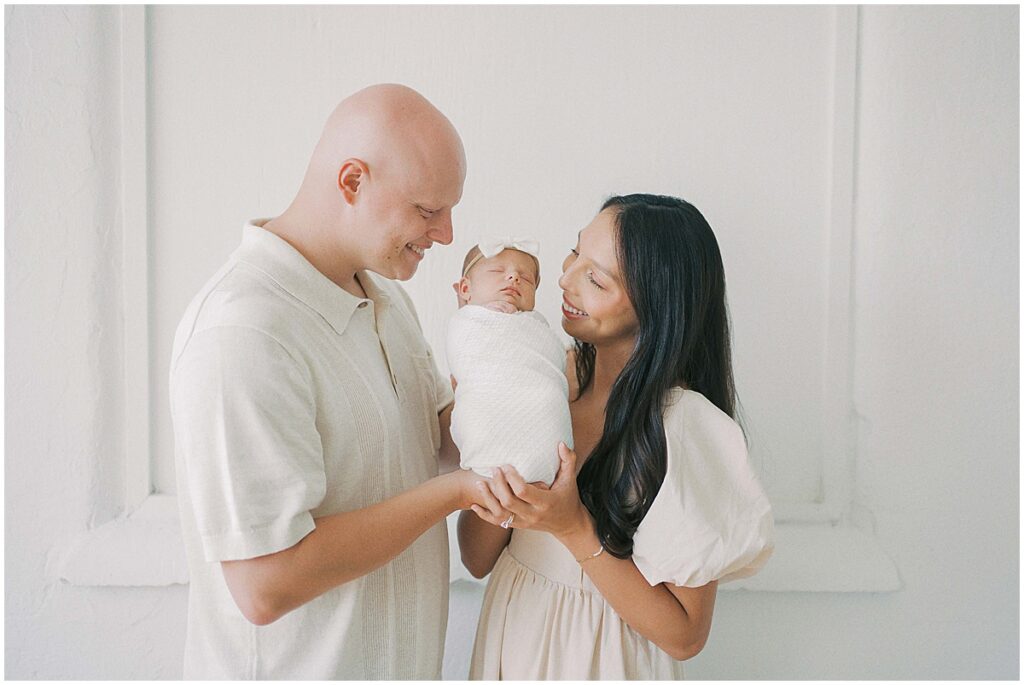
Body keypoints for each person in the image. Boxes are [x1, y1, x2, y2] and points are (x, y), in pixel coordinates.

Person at [168, 84, 488, 679]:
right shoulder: (243, 334)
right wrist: (457, 493)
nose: (446, 235)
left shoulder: (387, 295)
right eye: (427, 209)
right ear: (351, 183)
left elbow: (445, 439)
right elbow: (266, 583)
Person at [458, 194, 775, 679]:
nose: (563, 279)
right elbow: (477, 558)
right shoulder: (546, 380)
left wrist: (572, 527)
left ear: (656, 307)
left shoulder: (686, 428)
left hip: (601, 661)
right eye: (574, 252)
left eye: (596, 277)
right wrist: (492, 425)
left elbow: (686, 636)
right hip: (513, 640)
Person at [447, 238, 573, 487]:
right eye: (497, 271)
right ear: (465, 290)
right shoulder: (469, 322)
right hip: (488, 413)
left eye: (526, 279)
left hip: (543, 423)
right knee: (491, 491)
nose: (514, 278)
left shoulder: (537, 328)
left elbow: (550, 362)